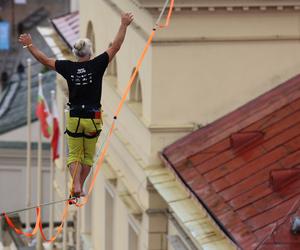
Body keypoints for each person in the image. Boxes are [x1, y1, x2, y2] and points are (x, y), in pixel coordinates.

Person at [18, 12, 134, 197]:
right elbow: (116, 46)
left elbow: (44, 60)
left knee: (74, 154)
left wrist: (29, 45)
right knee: (87, 156)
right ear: (89, 52)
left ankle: (76, 183)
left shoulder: (68, 67)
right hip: (93, 118)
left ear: (76, 53)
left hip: (74, 118)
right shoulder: (98, 64)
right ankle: (81, 185)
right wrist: (123, 24)